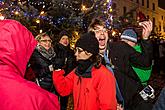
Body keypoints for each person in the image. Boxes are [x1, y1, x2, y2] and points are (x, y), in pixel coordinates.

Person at [88, 18, 153, 110]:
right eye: (98, 31)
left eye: (104, 30)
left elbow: (145, 62)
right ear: (91, 36)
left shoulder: (120, 47)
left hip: (137, 100)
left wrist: (145, 39)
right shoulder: (90, 61)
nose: (102, 33)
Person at [0, 19, 60, 110]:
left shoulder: (53, 53)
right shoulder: (37, 98)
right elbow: (34, 71)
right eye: (45, 41)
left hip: (51, 86)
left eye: (49, 41)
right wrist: (49, 69)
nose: (48, 43)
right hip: (41, 85)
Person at [53, 32, 117, 110]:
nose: (76, 54)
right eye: (75, 50)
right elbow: (64, 89)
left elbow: (108, 107)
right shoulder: (78, 71)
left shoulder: (104, 75)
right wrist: (57, 70)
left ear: (89, 53)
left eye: (79, 51)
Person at [53, 30, 76, 110]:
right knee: (55, 101)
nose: (66, 41)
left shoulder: (71, 52)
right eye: (63, 38)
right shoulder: (55, 50)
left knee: (64, 103)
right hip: (57, 79)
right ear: (59, 40)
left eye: (67, 39)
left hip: (68, 79)